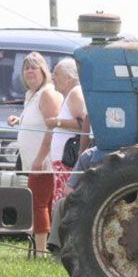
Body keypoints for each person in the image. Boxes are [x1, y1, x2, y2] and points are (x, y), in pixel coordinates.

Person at [6, 52, 63, 256]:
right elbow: (36, 122)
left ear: (43, 71)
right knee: (41, 204)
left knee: (38, 205)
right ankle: (43, 249)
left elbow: (52, 127)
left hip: (43, 162)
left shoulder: (47, 93)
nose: (29, 71)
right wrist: (19, 120)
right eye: (26, 68)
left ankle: (41, 252)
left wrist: (40, 158)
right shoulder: (31, 95)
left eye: (34, 67)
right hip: (33, 162)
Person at [48, 145, 106, 253]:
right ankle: (56, 248)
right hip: (88, 201)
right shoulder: (88, 156)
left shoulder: (132, 153)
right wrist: (84, 199)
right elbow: (68, 189)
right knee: (61, 204)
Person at [47, 58, 87, 204]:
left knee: (62, 204)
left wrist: (56, 122)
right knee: (58, 202)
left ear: (69, 78)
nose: (52, 78)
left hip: (67, 162)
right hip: (61, 161)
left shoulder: (76, 93)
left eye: (56, 74)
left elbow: (84, 123)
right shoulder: (69, 95)